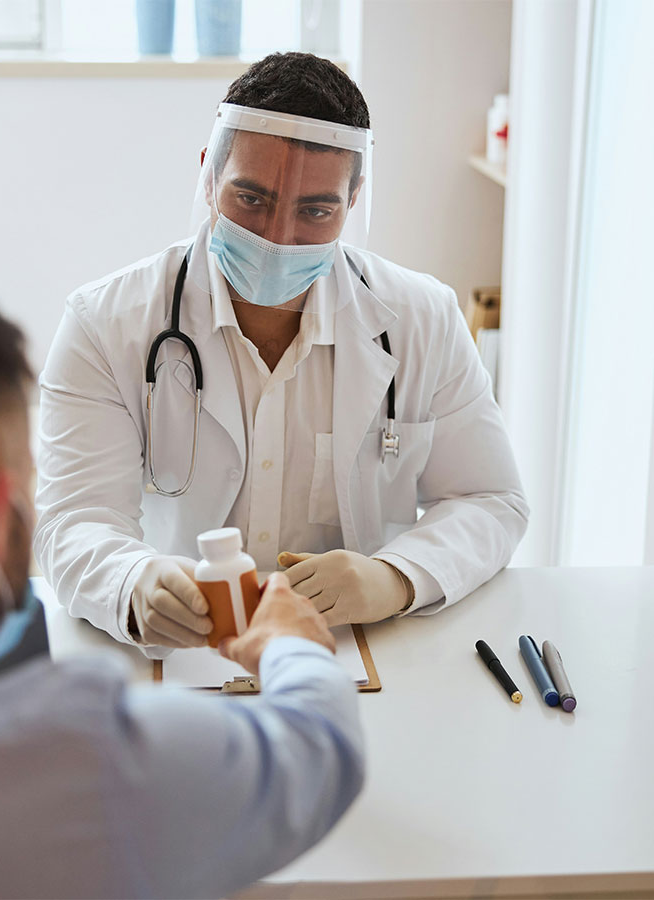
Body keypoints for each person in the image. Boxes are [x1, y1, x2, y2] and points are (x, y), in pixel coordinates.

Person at [35, 52, 529, 658]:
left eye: (315, 210)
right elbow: (74, 519)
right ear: (209, 176)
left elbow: (490, 500)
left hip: (361, 656)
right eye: (251, 199)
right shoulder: (104, 324)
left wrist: (395, 578)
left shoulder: (423, 318)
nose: (277, 238)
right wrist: (133, 584)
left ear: (353, 199)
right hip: (179, 656)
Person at [0, 287, 364, 899]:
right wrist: (295, 646)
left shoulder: (414, 310)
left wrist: (399, 574)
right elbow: (318, 757)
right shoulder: (79, 762)